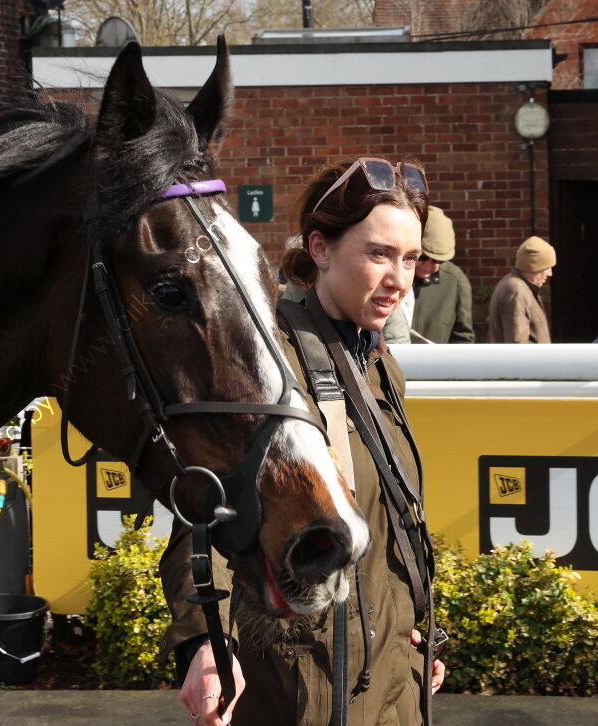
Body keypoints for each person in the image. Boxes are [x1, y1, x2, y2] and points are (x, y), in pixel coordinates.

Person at [161, 158, 444, 726]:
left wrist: (420, 626)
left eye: (410, 258)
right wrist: (202, 645)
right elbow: (202, 515)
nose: (399, 278)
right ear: (320, 249)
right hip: (299, 687)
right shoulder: (268, 359)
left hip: (393, 686)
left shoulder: (383, 367)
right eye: (379, 253)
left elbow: (385, 516)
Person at [409, 206, 474, 344]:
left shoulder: (455, 281)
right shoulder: (386, 274)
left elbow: (462, 340)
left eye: (440, 260)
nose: (431, 267)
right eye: (422, 258)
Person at [487, 236, 556, 344]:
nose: (550, 274)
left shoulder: (520, 287)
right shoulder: (516, 291)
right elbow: (517, 347)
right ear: (534, 266)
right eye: (547, 267)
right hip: (527, 361)